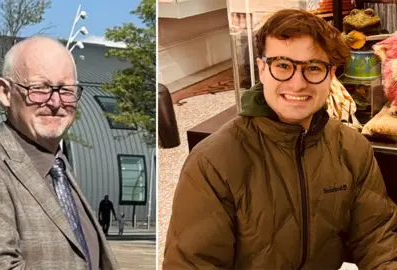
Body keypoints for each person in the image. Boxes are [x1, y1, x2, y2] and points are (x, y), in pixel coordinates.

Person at [163, 9, 397, 269]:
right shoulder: (212, 163)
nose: (297, 84)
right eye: (283, 65)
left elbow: (377, 239)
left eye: (313, 67)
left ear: (331, 75)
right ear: (262, 69)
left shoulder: (353, 148)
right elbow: (192, 264)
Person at [0, 36, 119, 269]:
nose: (56, 102)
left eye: (66, 90)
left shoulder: (58, 167)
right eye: (40, 88)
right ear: (5, 92)